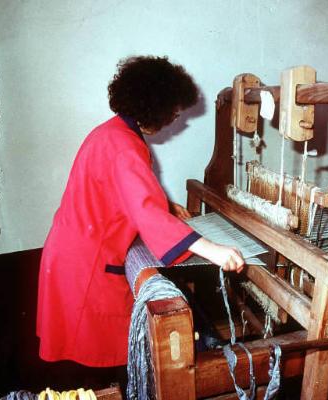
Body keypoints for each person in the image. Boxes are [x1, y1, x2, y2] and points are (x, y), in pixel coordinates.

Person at [36, 56, 244, 372]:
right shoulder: (124, 146)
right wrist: (212, 249)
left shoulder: (112, 132)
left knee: (95, 347)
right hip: (87, 264)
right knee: (102, 353)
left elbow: (125, 193)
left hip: (74, 249)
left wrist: (167, 205)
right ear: (155, 107)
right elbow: (145, 211)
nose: (176, 119)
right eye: (173, 113)